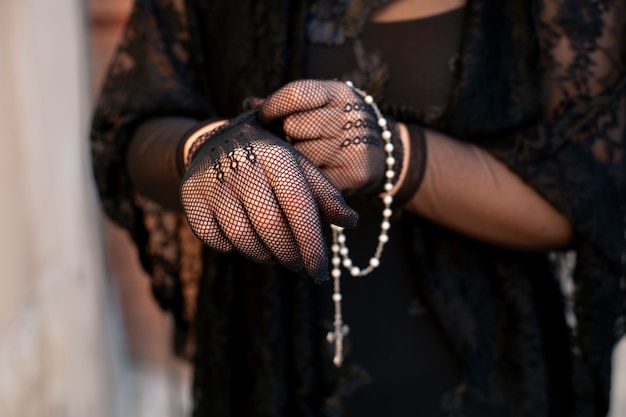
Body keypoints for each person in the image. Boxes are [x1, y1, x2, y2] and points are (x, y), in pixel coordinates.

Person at [90, 0, 626, 416]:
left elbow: (589, 189)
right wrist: (208, 150)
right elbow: (134, 123)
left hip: (490, 381)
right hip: (263, 374)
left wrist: (396, 154)